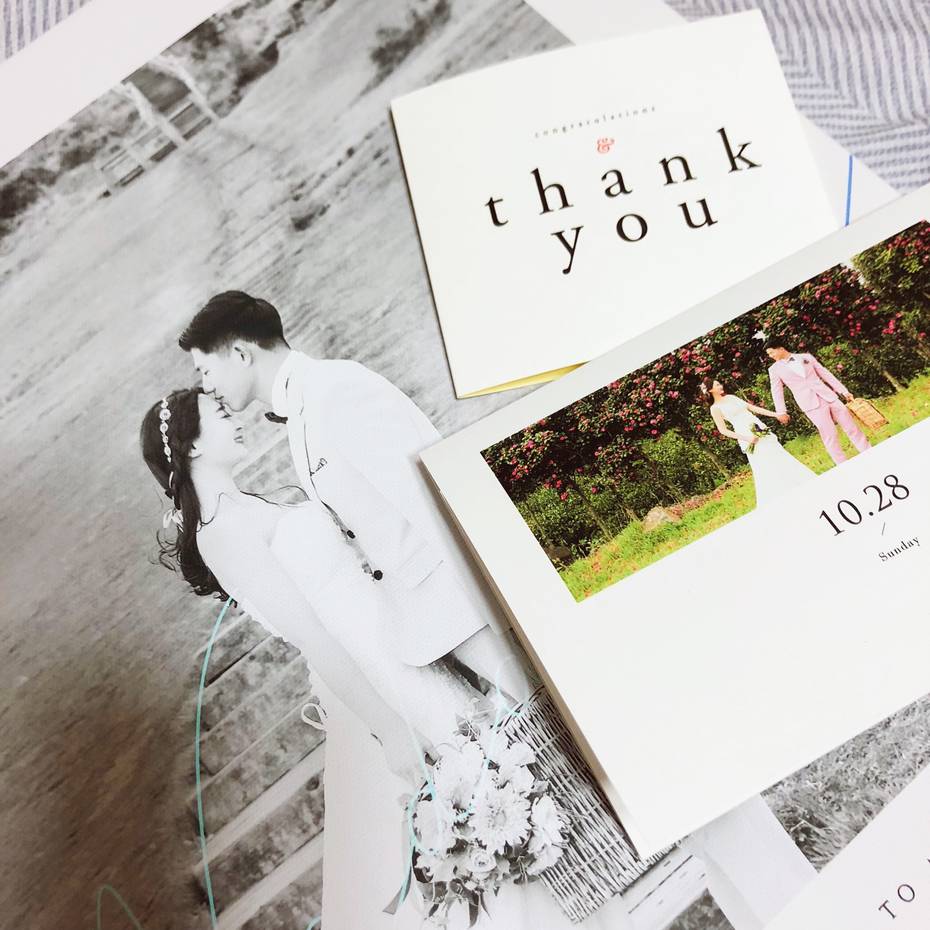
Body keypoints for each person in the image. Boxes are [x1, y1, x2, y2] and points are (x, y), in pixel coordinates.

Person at [702, 376, 815, 504]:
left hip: (758, 427)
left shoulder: (731, 398)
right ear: (710, 390)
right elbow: (723, 430)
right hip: (746, 435)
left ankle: (799, 482)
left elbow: (753, 408)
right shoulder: (715, 408)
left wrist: (776, 414)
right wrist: (746, 438)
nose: (720, 386)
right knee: (764, 464)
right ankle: (780, 496)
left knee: (778, 454)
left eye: (719, 384)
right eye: (717, 385)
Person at [764, 337, 871, 465]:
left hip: (830, 397)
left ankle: (868, 452)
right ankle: (843, 464)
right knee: (830, 435)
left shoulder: (806, 357)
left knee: (852, 427)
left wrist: (844, 391)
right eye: (769, 354)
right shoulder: (774, 370)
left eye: (771, 352)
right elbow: (776, 391)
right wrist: (781, 411)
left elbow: (826, 374)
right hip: (810, 404)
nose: (770, 356)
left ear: (781, 348)